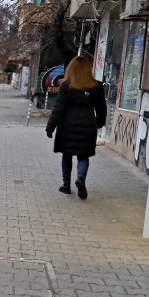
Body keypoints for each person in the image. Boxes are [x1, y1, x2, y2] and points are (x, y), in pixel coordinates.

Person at [45, 55, 106, 200]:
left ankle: (66, 186)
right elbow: (101, 108)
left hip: (67, 125)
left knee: (67, 155)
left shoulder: (66, 85)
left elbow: (58, 108)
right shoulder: (97, 86)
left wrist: (50, 127)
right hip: (88, 125)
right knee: (83, 156)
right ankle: (81, 178)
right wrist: (99, 123)